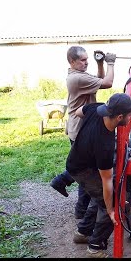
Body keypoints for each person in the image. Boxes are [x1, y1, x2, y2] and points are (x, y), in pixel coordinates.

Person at [50, 46, 116, 220]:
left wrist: (99, 63)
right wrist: (110, 63)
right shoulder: (77, 78)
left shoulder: (81, 76)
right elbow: (108, 83)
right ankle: (64, 185)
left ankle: (77, 203)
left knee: (86, 170)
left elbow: (100, 79)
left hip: (81, 127)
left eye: (88, 59)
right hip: (80, 129)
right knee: (86, 172)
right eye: (83, 60)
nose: (86, 63)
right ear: (72, 62)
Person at [66, 93, 131, 258]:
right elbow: (106, 182)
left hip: (78, 161)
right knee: (113, 202)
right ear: (119, 117)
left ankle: (82, 233)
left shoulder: (95, 109)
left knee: (101, 198)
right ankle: (95, 247)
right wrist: (111, 209)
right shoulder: (105, 145)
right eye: (130, 115)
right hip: (82, 170)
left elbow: (77, 112)